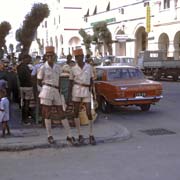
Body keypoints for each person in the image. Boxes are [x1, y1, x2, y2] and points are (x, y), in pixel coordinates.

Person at [37, 46, 76, 145]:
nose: (50, 57)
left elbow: (59, 81)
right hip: (46, 89)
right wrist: (42, 91)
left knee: (61, 113)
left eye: (52, 56)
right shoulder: (43, 68)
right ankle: (49, 135)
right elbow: (38, 81)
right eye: (48, 56)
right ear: (45, 57)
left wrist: (60, 93)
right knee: (47, 114)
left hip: (56, 90)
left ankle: (69, 135)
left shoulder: (58, 67)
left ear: (54, 56)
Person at [69, 48, 96, 145]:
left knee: (88, 112)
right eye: (76, 57)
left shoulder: (89, 67)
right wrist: (69, 96)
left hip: (86, 90)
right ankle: (80, 134)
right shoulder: (73, 68)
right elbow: (70, 82)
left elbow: (92, 80)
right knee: (75, 113)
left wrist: (93, 93)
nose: (78, 59)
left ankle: (91, 134)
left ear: (83, 57)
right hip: (76, 90)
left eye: (80, 57)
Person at [16, 54, 35, 124]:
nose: (30, 61)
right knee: (27, 103)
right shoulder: (25, 67)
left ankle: (23, 118)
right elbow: (29, 77)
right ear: (25, 59)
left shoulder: (19, 66)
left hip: (21, 86)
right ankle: (25, 119)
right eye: (29, 59)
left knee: (23, 103)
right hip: (27, 87)